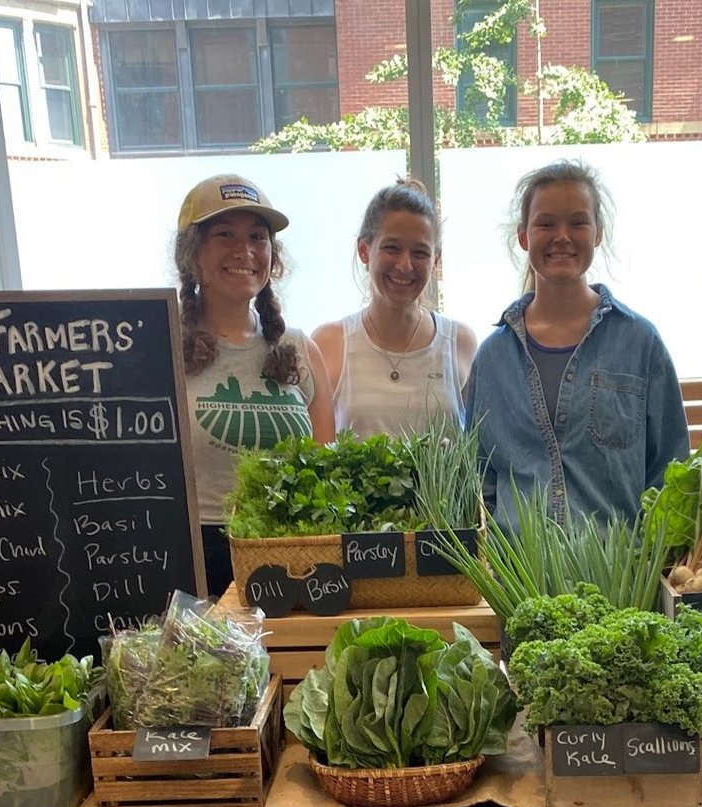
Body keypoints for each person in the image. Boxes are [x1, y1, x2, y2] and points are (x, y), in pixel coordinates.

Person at [464, 159, 688, 530]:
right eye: (546, 223)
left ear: (598, 232)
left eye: (578, 222)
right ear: (524, 236)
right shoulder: (494, 357)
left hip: (620, 579)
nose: (562, 236)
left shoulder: (639, 343)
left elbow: (669, 472)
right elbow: (481, 478)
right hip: (517, 582)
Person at [175, 174, 335, 596]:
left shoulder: (301, 349)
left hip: (289, 558)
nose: (243, 250)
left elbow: (324, 474)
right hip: (194, 563)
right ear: (192, 253)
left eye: (257, 237)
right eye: (224, 234)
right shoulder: (164, 350)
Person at [312, 178, 477, 437]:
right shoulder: (329, 343)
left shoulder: (460, 343)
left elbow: (478, 453)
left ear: (436, 260)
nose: (404, 265)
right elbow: (314, 453)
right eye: (392, 248)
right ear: (364, 250)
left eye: (420, 253)